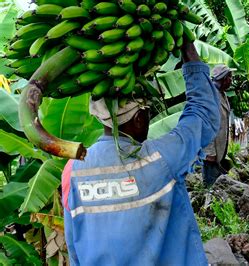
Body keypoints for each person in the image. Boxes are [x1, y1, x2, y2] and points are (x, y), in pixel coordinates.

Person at [61, 41, 221, 265]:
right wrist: (187, 47)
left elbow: (73, 243)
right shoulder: (161, 158)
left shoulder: (72, 169)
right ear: (138, 120)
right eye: (147, 112)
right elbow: (203, 115)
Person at [202, 64, 234, 187]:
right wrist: (209, 152)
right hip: (211, 154)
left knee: (218, 186)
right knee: (211, 187)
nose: (231, 80)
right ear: (224, 78)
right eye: (230, 77)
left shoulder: (222, 94)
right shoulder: (209, 97)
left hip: (219, 152)